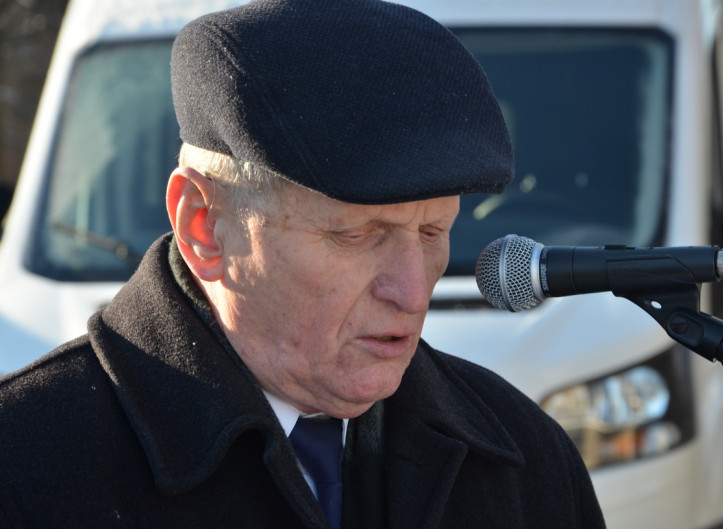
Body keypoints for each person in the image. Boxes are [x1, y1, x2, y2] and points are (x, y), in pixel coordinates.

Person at [0, 0, 606, 527]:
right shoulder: (26, 466)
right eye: (357, 235)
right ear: (203, 225)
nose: (412, 291)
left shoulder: (524, 457)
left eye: (433, 232)